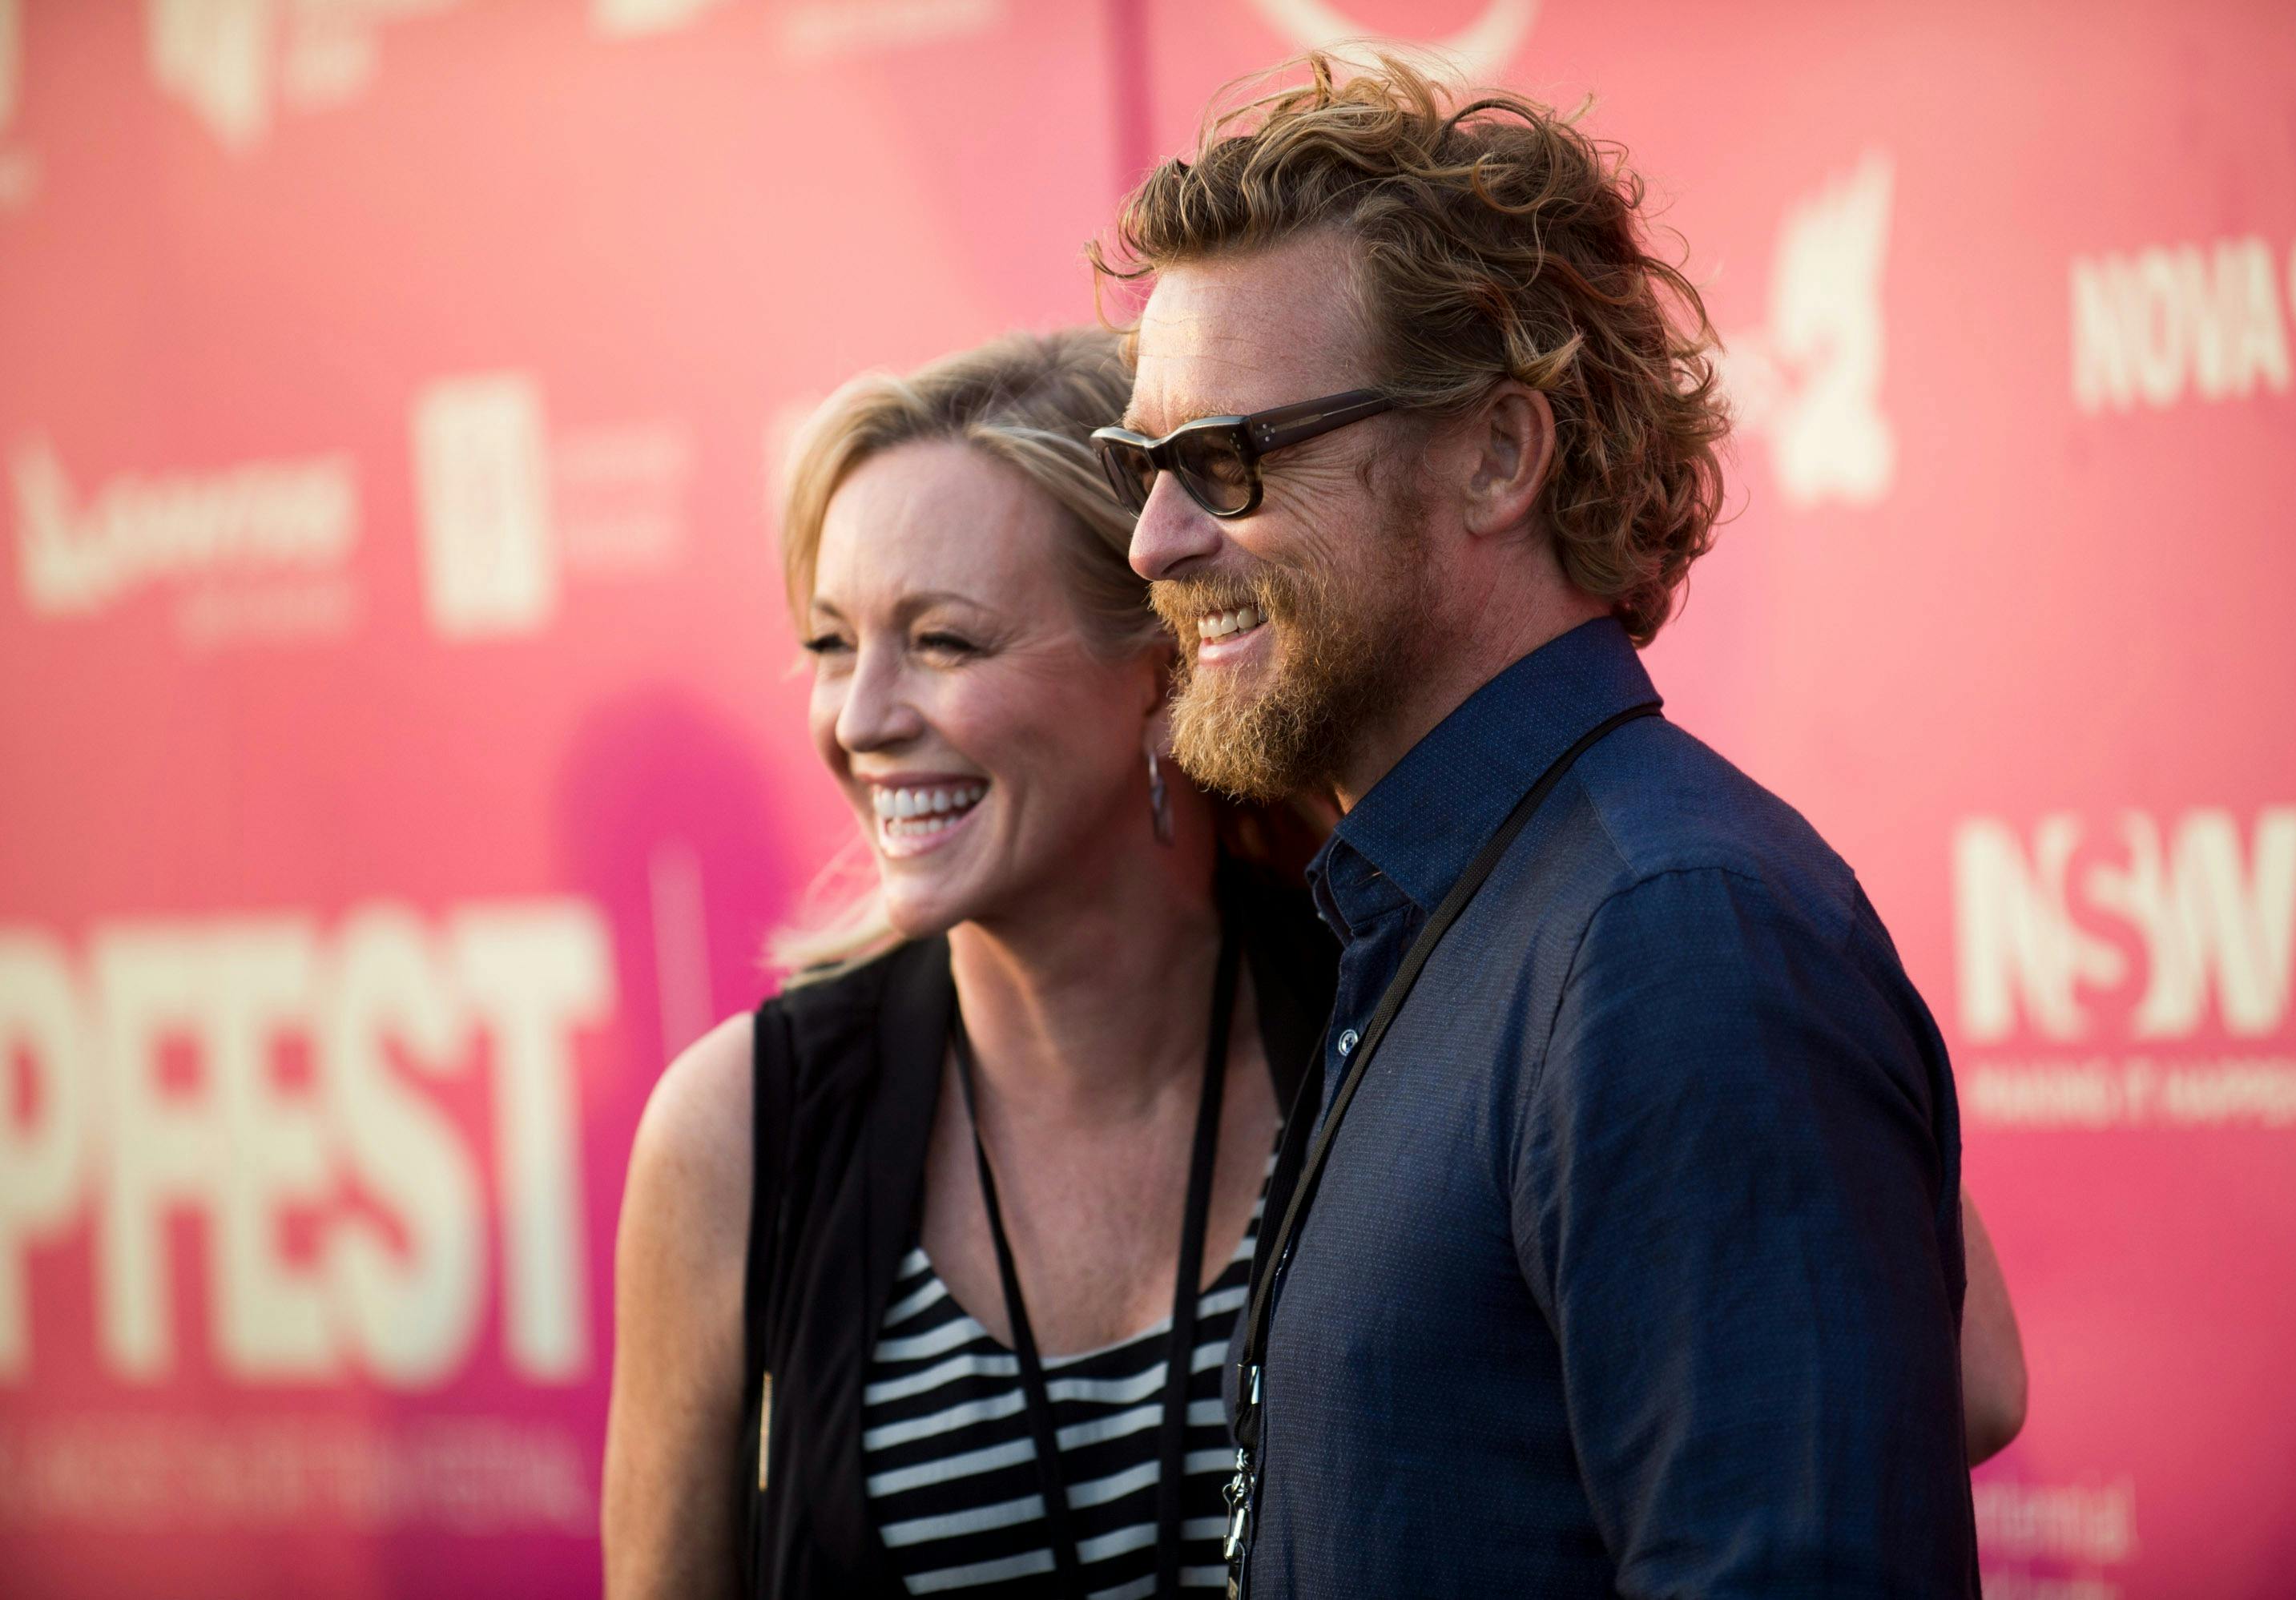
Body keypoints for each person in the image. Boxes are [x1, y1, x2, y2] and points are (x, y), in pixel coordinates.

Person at [602, 328, 2022, 1599]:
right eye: (829, 644)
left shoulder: (1423, 973)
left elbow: (1950, 1380)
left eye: (941, 642)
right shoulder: (741, 1131)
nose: (860, 717)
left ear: (1166, 662)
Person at [1094, 54, 1993, 1597]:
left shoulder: (1669, 936)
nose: (1153, 536)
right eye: (1145, 465)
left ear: (1499, 455)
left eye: (1225, 460)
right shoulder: (1441, 902)